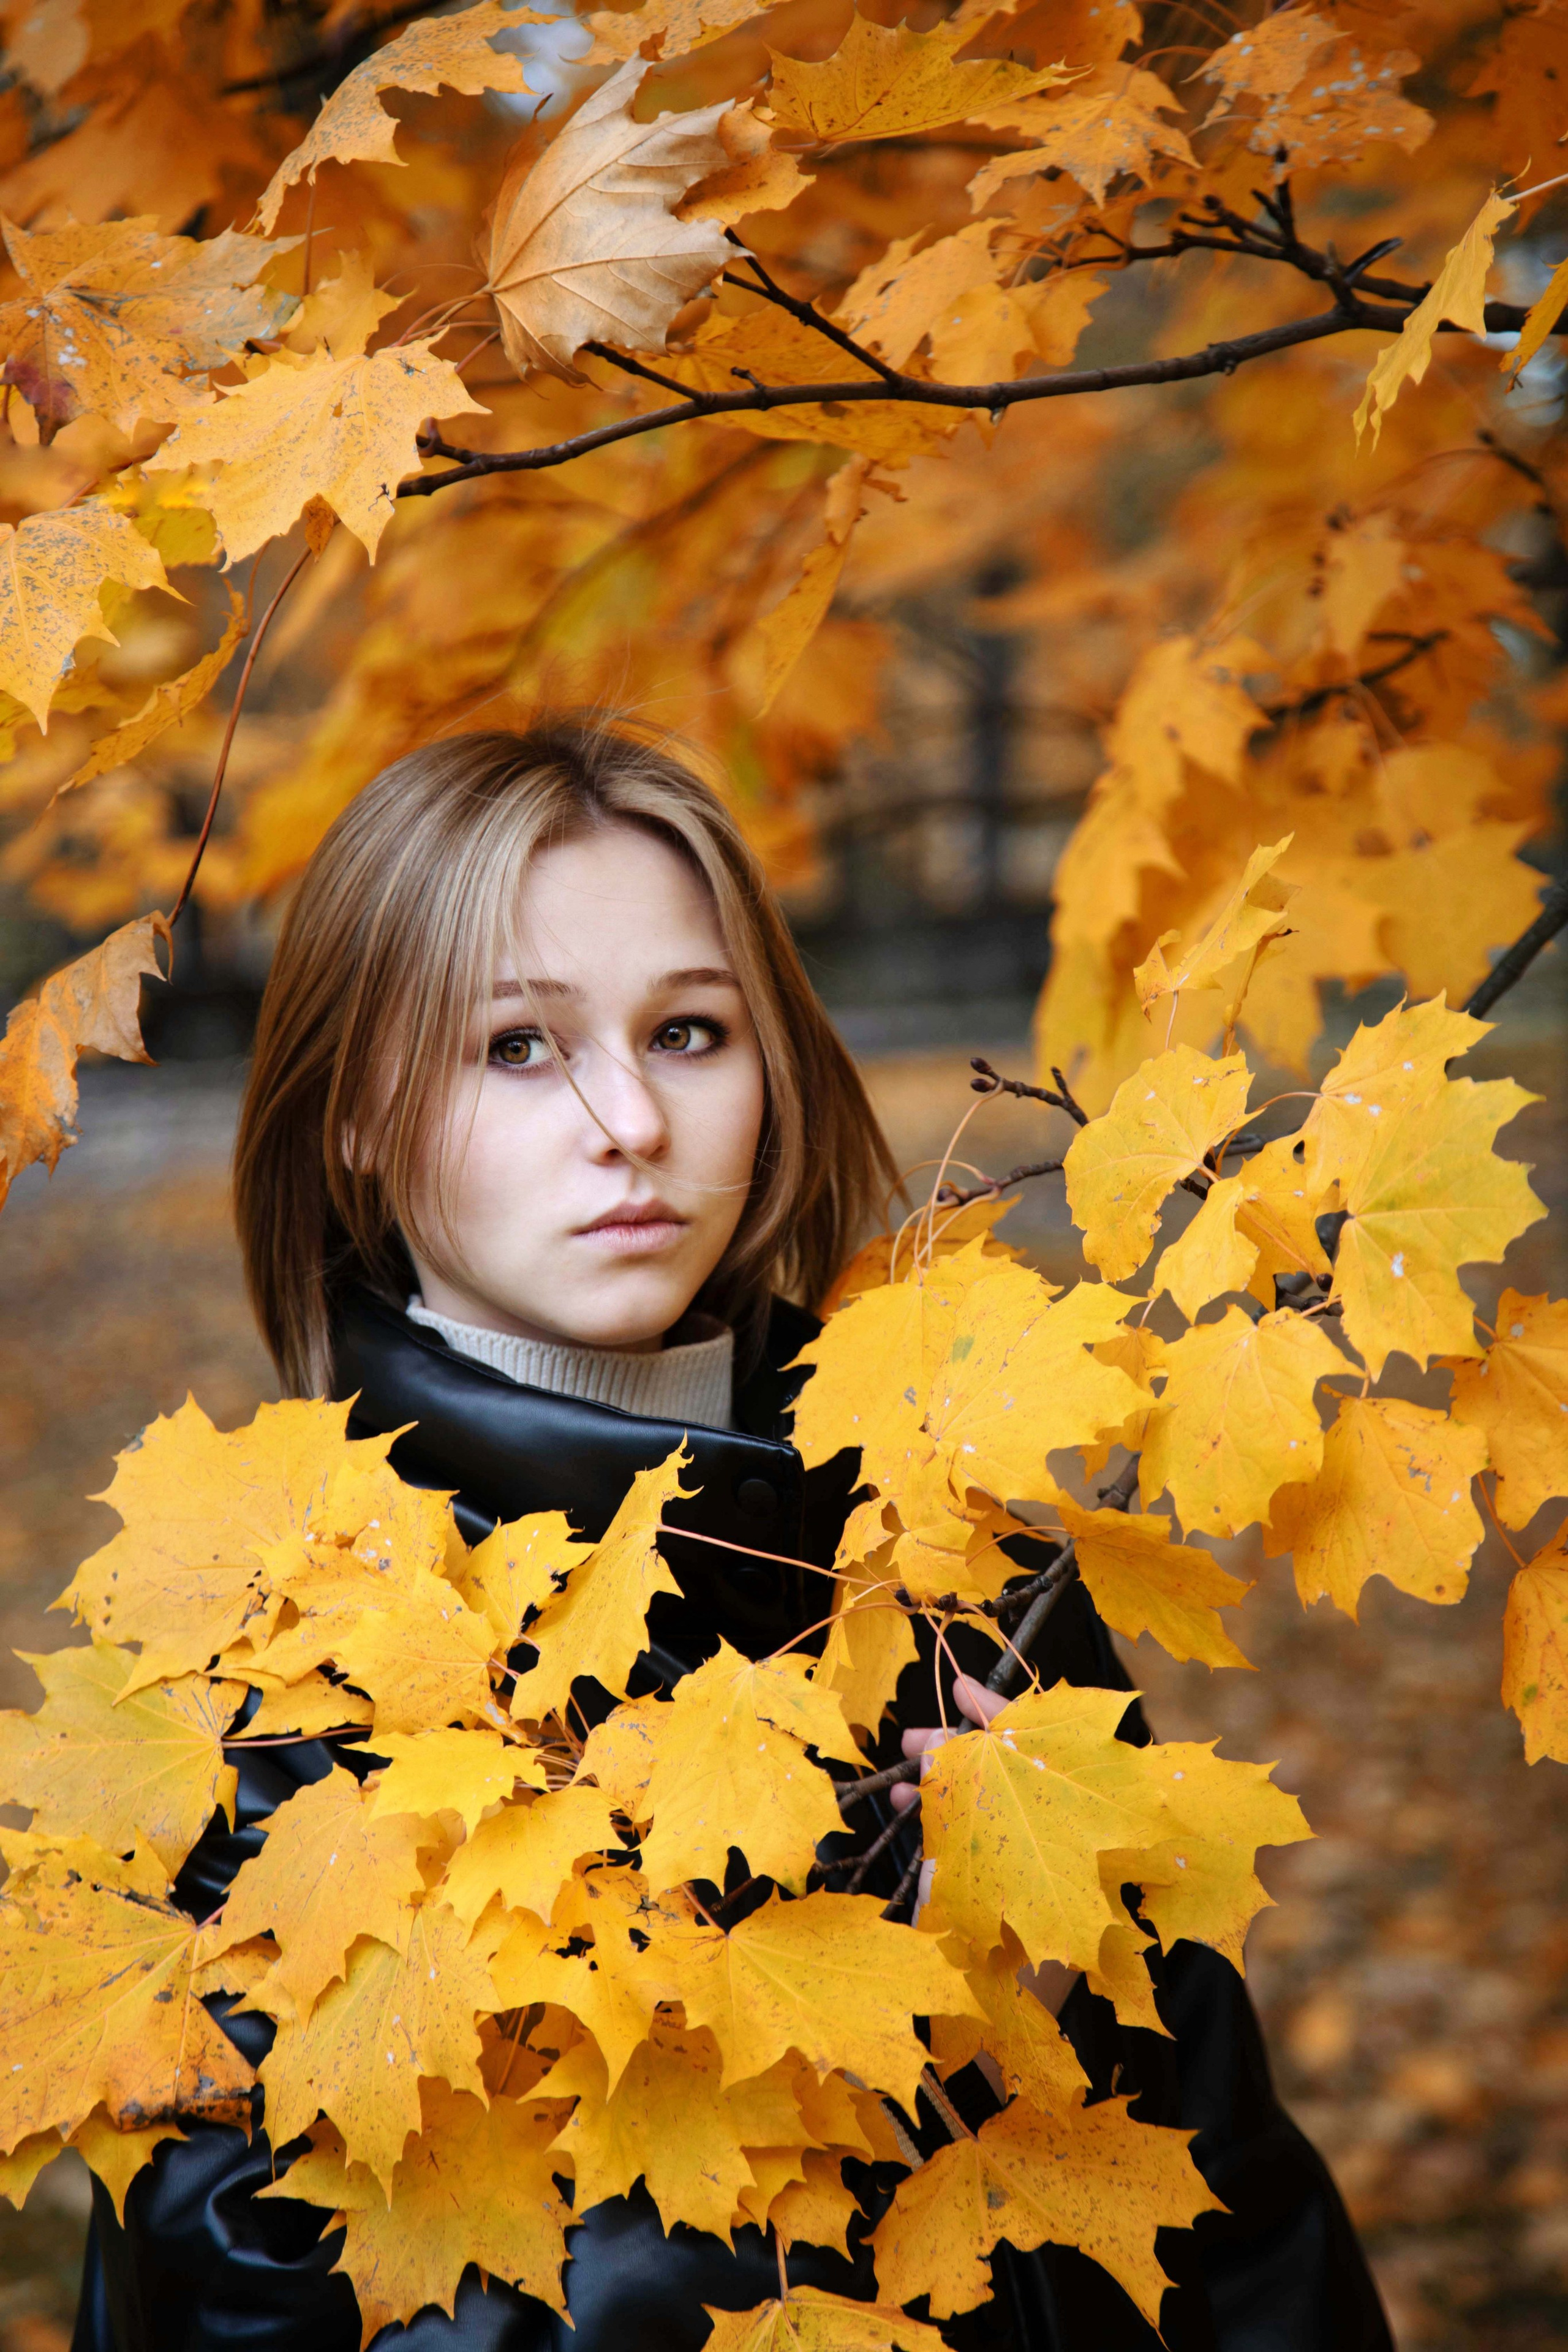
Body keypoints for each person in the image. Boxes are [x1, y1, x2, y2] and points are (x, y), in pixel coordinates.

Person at [72, 718, 1390, 2352]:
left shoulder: (952, 1566)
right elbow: (260, 2316)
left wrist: (1059, 2032)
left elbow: (1239, 2225)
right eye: (516, 1049)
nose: (630, 1120)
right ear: (350, 1111)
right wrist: (861, 2073)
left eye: (689, 1032)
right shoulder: (249, 1686)